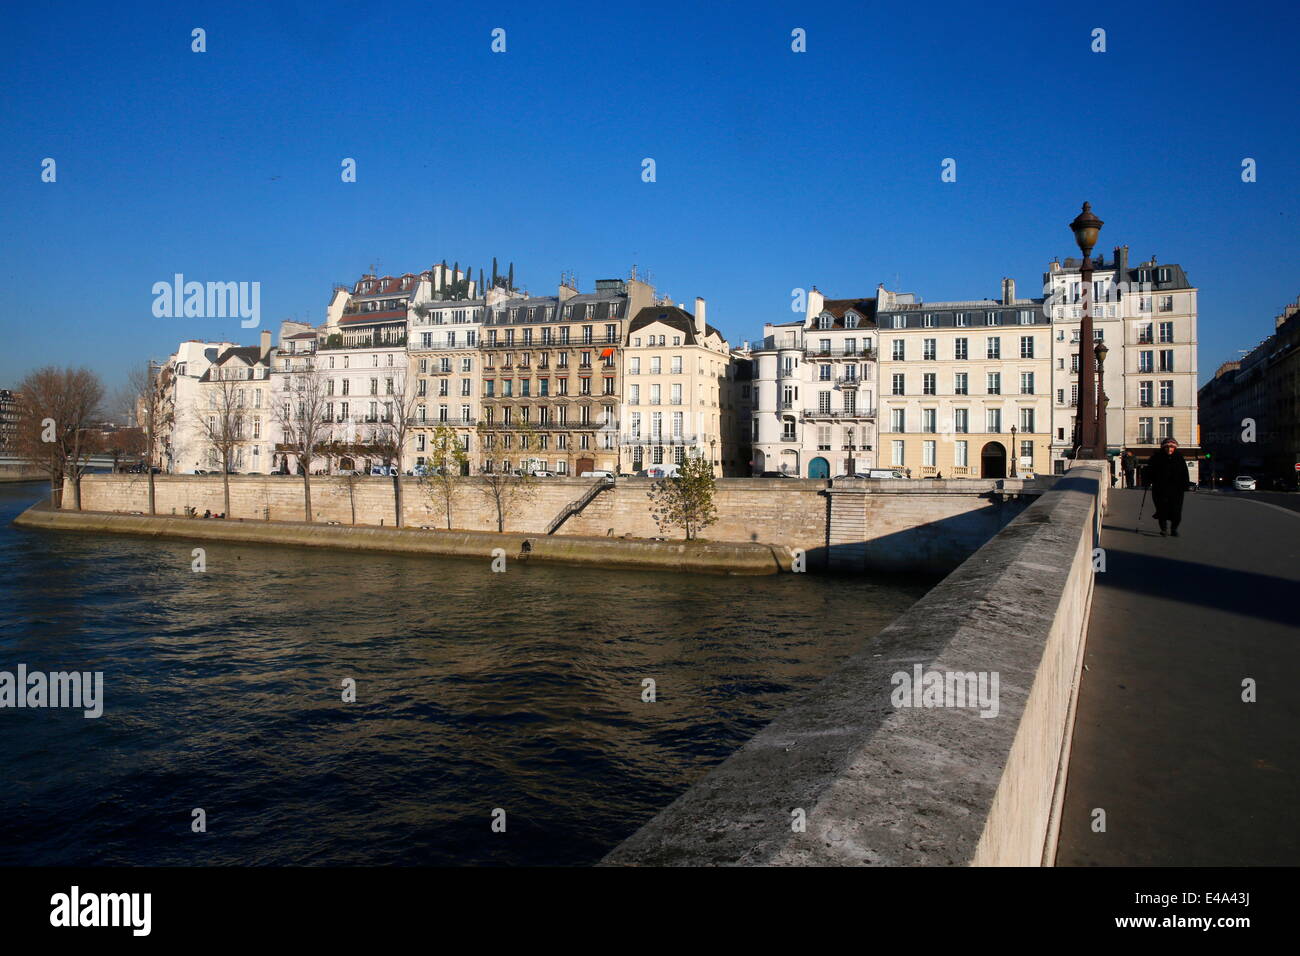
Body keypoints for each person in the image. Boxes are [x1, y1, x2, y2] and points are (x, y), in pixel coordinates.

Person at [1145, 437, 1188, 536]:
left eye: (1172, 447)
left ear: (1175, 448)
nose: (1169, 449)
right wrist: (1147, 481)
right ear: (1163, 448)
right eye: (1167, 447)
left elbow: (1184, 472)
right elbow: (1149, 471)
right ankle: (1163, 529)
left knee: (1176, 511)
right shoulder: (1156, 457)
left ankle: (1174, 529)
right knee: (1161, 509)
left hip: (1176, 490)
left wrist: (1185, 485)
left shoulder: (1179, 457)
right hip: (1160, 489)